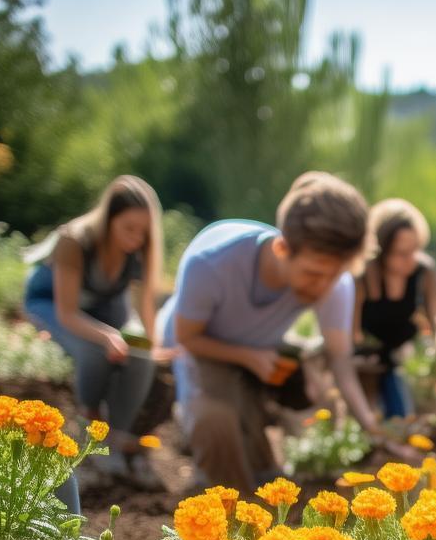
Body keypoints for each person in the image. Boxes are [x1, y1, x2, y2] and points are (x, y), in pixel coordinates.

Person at [159, 172, 415, 497]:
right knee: (217, 422)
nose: (323, 286)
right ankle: (223, 496)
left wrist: (374, 428)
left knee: (266, 472)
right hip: (196, 344)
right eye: (313, 274)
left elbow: (341, 361)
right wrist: (248, 357)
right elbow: (188, 339)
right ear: (282, 248)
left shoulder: (334, 281)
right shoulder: (211, 264)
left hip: (259, 345)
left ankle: (262, 475)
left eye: (333, 276)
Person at [23, 175, 164, 487]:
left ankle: (115, 438)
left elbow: (144, 310)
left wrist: (155, 345)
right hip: (52, 303)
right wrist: (106, 336)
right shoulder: (75, 241)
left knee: (141, 354)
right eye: (129, 228)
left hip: (103, 308)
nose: (137, 238)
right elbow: (68, 313)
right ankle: (88, 428)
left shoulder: (137, 251)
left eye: (144, 232)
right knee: (95, 352)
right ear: (108, 219)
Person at [354, 198, 436, 419]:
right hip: (365, 363)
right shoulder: (363, 275)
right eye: (401, 253)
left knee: (403, 413)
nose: (410, 260)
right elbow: (352, 333)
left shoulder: (424, 272)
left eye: (415, 250)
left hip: (400, 359)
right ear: (381, 250)